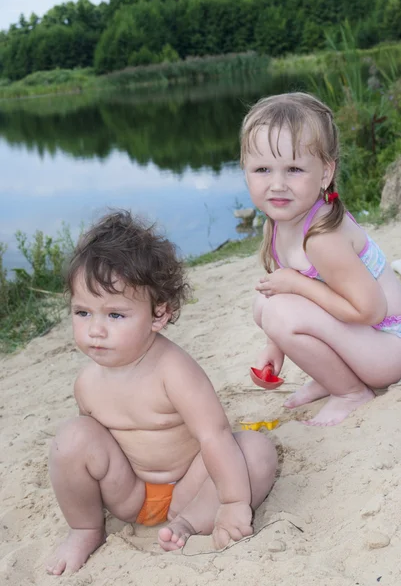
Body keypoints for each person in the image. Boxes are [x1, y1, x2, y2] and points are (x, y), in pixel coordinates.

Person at [46, 211, 278, 576]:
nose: (95, 331)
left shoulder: (174, 371)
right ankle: (86, 528)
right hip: (131, 494)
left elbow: (213, 436)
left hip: (193, 485)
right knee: (71, 439)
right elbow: (97, 451)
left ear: (159, 315)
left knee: (256, 450)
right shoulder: (86, 383)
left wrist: (233, 501)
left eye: (115, 315)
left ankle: (189, 523)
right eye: (82, 312)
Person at [240, 92, 401, 427]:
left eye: (294, 169)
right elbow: (292, 295)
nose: (277, 184)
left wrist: (297, 284)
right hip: (363, 341)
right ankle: (334, 379)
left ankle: (351, 392)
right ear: (244, 171)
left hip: (388, 342)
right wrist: (274, 347)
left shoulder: (322, 237)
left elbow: (370, 310)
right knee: (265, 302)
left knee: (280, 308)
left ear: (325, 173)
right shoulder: (278, 223)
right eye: (262, 169)